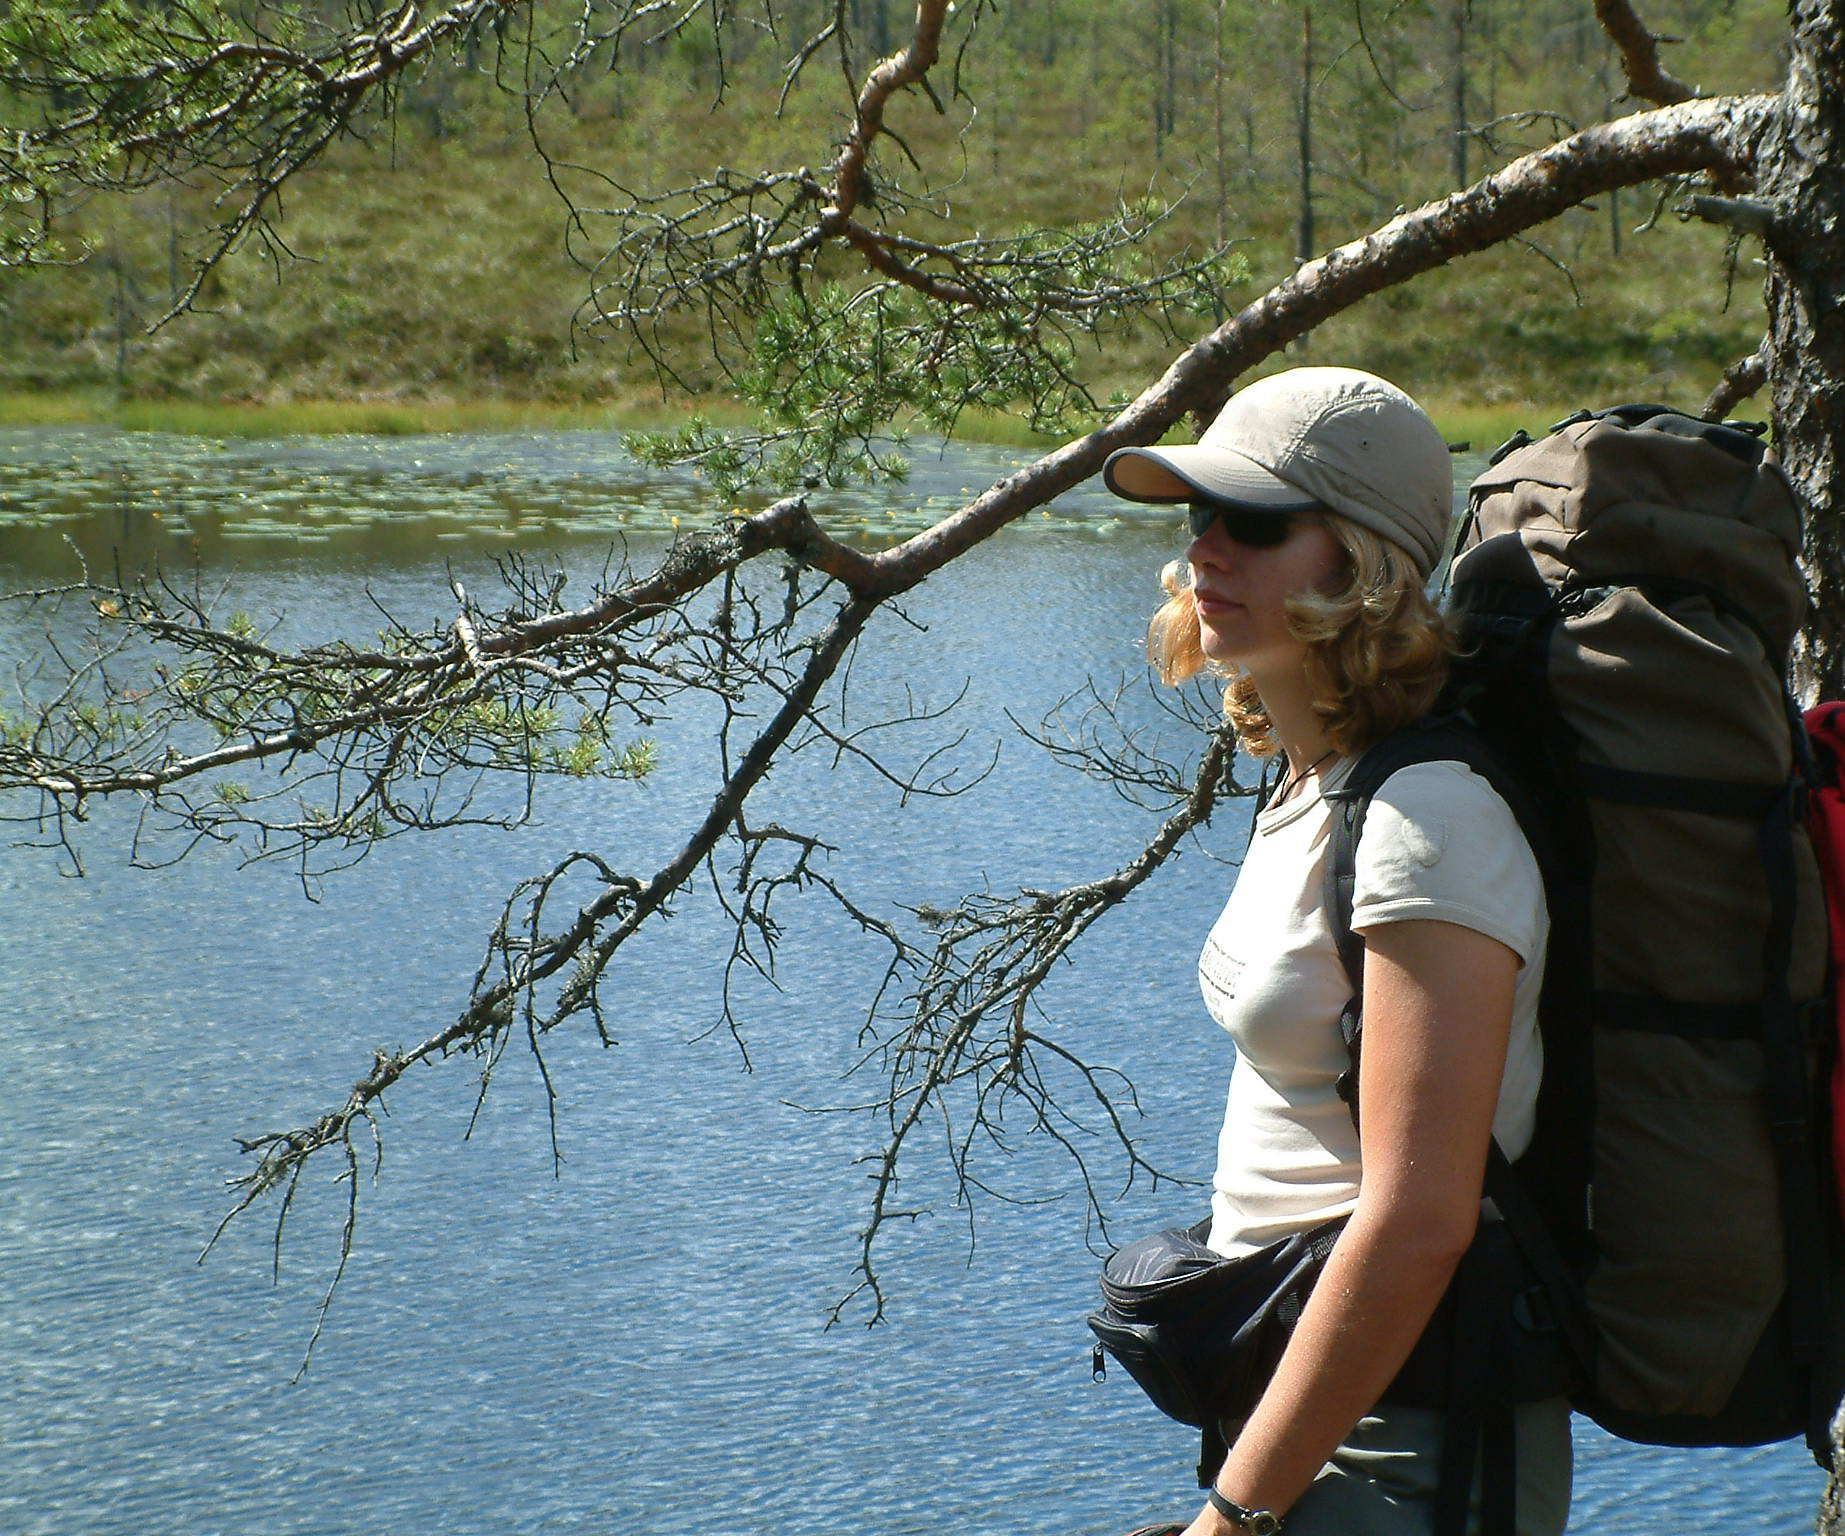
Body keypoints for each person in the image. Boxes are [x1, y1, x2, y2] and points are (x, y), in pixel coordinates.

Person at [1099, 367, 1571, 1536]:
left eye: (1254, 521)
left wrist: (1235, 1518)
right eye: (1197, 515)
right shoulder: (1314, 782)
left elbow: (1419, 1219)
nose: (1208, 548)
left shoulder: (1432, 824)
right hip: (1297, 1403)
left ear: (1361, 561)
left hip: (1404, 1442)